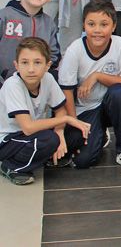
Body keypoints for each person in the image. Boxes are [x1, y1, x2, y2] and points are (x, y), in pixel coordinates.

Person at [59, 0, 121, 172]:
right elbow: (67, 91)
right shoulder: (75, 50)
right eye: (91, 24)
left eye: (104, 24)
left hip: (112, 106)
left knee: (119, 92)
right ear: (83, 26)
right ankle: (99, 136)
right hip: (86, 110)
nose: (97, 30)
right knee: (83, 161)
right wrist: (74, 125)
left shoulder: (120, 45)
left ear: (113, 26)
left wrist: (97, 76)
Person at [0, 38, 90, 185]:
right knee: (49, 139)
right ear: (16, 65)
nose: (30, 69)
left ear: (47, 65)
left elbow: (60, 110)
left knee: (78, 133)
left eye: (37, 62)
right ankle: (12, 167)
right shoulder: (13, 85)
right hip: (8, 139)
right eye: (24, 62)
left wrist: (60, 132)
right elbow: (28, 128)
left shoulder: (47, 78)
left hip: (31, 135)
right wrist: (65, 120)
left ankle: (45, 156)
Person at [0, 0, 60, 80]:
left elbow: (53, 56)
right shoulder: (4, 16)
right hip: (4, 84)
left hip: (36, 85)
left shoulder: (49, 23)